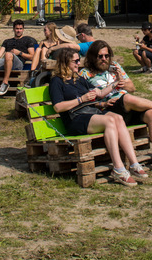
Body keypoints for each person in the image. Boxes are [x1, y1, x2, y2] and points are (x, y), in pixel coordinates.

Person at [80, 40, 152, 176]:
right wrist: (107, 95)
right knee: (127, 98)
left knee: (151, 113)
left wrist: (122, 81)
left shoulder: (115, 67)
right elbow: (88, 99)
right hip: (110, 110)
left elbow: (132, 88)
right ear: (92, 57)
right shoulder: (85, 74)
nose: (104, 59)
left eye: (106, 56)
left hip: (127, 107)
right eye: (100, 56)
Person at [49, 48, 145, 186]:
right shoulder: (56, 81)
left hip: (90, 113)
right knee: (110, 121)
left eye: (78, 60)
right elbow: (58, 107)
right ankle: (118, 168)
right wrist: (81, 99)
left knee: (118, 118)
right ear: (65, 63)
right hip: (75, 118)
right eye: (75, 61)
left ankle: (134, 163)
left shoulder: (78, 79)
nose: (78, 63)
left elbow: (99, 93)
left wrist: (116, 83)